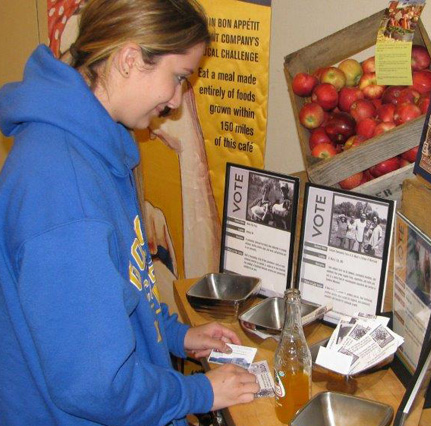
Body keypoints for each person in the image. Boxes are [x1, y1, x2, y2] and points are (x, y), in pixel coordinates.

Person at [0, 1, 259, 425]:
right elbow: (98, 385)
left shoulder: (97, 146)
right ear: (128, 60)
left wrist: (178, 335)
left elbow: (121, 288)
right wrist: (200, 391)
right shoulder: (64, 189)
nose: (176, 101)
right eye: (177, 78)